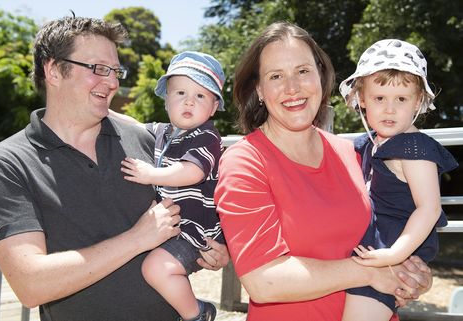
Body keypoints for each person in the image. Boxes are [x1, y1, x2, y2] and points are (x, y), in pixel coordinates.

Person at [0, 16, 228, 321]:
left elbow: (203, 199)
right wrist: (137, 239)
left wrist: (216, 249)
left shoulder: (149, 143)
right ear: (53, 70)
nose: (112, 82)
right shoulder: (6, 165)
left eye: (115, 71)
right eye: (98, 69)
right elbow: (31, 285)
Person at [214, 21, 433, 321]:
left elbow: (392, 231)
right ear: (260, 90)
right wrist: (370, 274)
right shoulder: (245, 161)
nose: (293, 87)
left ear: (320, 75)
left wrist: (413, 276)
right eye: (276, 76)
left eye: (303, 71)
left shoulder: (354, 153)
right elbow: (264, 280)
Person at [338, 39, 458, 321]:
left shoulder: (414, 148)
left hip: (392, 249)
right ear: (362, 99)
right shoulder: (370, 143)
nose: (389, 109)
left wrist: (394, 254)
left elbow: (429, 208)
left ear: (418, 101)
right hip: (375, 246)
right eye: (380, 98)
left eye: (401, 99)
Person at [119, 51, 226, 321]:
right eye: (180, 93)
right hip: (173, 228)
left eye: (200, 95)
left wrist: (152, 174)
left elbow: (191, 172)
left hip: (196, 232)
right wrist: (103, 109)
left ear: (213, 107)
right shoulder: (162, 132)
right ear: (166, 99)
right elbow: (132, 124)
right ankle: (188, 305)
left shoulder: (206, 136)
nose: (189, 100)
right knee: (149, 268)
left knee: (156, 268)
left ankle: (197, 314)